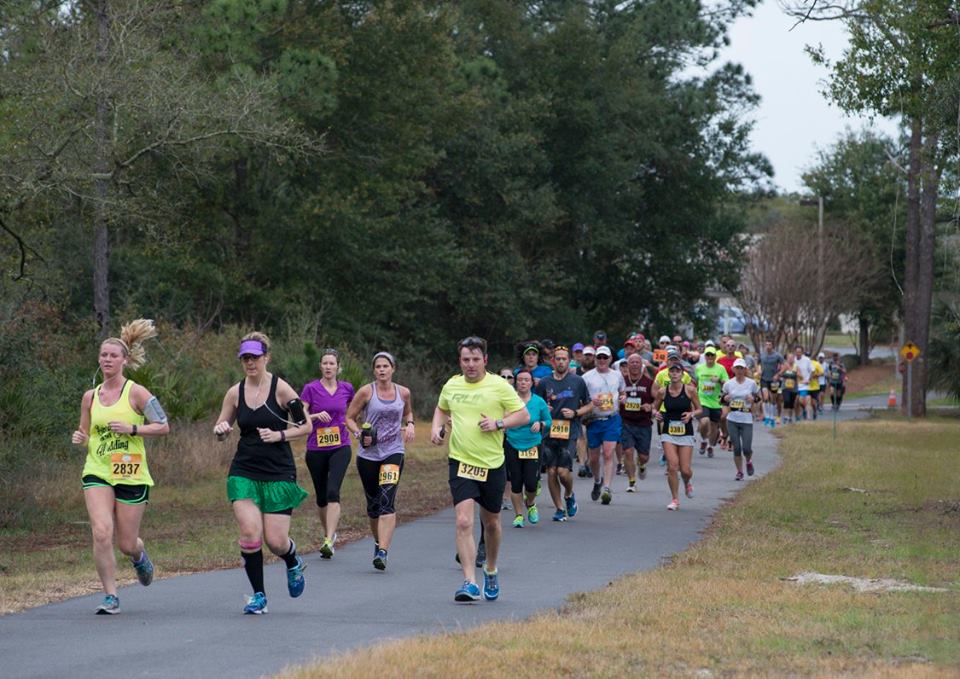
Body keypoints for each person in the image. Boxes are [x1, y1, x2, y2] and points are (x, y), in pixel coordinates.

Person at [71, 319, 170, 615]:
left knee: (126, 542)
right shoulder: (90, 397)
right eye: (104, 355)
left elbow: (163, 426)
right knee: (101, 532)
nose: (107, 360)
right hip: (98, 470)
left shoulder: (137, 393)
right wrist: (80, 438)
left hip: (130, 471)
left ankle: (139, 557)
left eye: (114, 355)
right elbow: (86, 435)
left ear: (125, 360)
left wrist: (132, 429)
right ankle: (111, 595)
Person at [213, 332, 312, 615]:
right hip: (244, 469)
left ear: (266, 357)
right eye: (245, 358)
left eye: (255, 357)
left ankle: (292, 560)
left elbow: (305, 426)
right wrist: (221, 430)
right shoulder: (235, 392)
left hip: (279, 471)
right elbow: (222, 424)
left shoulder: (281, 389)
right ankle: (259, 595)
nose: (250, 363)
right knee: (249, 533)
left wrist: (279, 435)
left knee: (276, 541)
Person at [431, 336, 528, 602]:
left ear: (485, 360)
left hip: (492, 463)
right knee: (463, 521)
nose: (470, 365)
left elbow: (523, 415)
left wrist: (498, 423)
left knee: (492, 523)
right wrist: (435, 428)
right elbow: (441, 409)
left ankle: (491, 569)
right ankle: (469, 582)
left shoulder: (499, 386)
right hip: (461, 461)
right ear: (459, 361)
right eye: (465, 360)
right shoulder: (452, 384)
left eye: (475, 360)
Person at [344, 351, 413, 571]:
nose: (382, 370)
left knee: (386, 499)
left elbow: (408, 413)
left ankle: (383, 551)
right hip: (368, 455)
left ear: (393, 368)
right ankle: (377, 542)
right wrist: (358, 435)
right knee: (373, 506)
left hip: (393, 451)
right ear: (374, 370)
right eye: (378, 367)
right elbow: (349, 418)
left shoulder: (403, 392)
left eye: (386, 366)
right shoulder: (366, 391)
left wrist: (410, 424)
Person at [299, 348, 355, 560]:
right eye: (325, 363)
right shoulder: (310, 389)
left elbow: (355, 410)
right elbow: (299, 413)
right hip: (316, 449)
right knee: (322, 498)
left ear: (338, 367)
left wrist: (356, 426)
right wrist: (313, 415)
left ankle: (329, 540)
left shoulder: (347, 388)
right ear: (320, 366)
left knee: (333, 492)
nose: (328, 367)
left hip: (341, 446)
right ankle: (327, 535)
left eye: (332, 363)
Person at [535, 345, 590, 521]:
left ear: (569, 361)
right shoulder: (544, 382)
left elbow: (589, 405)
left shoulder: (577, 381)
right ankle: (559, 509)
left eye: (564, 359)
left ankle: (569, 494)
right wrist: (544, 410)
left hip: (569, 430)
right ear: (553, 361)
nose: (560, 361)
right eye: (557, 358)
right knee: (551, 471)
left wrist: (575, 413)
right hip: (549, 431)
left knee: (563, 472)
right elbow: (535, 405)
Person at [504, 370, 551, 527]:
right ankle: (518, 515)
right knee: (516, 482)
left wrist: (541, 424)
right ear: (516, 382)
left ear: (532, 383)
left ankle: (530, 504)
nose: (523, 382)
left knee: (531, 483)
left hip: (532, 445)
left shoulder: (539, 402)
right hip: (512, 443)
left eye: (526, 380)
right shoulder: (509, 401)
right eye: (520, 380)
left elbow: (549, 420)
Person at [651, 363, 701, 511]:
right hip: (668, 431)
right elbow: (655, 407)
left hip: (685, 431)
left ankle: (687, 482)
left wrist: (691, 414)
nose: (674, 374)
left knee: (685, 470)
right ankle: (675, 499)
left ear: (682, 374)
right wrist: (656, 413)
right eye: (671, 371)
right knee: (672, 466)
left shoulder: (690, 390)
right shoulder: (662, 391)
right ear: (668, 374)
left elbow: (699, 409)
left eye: (677, 371)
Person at [581, 345, 626, 505]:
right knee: (593, 458)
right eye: (599, 357)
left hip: (612, 418)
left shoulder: (617, 375)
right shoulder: (586, 377)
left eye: (604, 358)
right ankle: (597, 480)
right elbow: (581, 398)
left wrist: (623, 398)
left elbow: (622, 392)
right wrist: (590, 402)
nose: (601, 360)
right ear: (594, 359)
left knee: (608, 453)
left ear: (610, 359)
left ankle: (607, 488)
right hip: (594, 420)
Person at [620, 353, 655, 491]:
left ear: (641, 365)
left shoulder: (649, 382)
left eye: (637, 362)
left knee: (643, 456)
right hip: (626, 421)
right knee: (628, 451)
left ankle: (641, 465)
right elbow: (614, 396)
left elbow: (657, 399)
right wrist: (619, 401)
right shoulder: (622, 381)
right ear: (627, 365)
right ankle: (632, 482)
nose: (634, 364)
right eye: (632, 362)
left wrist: (651, 406)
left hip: (643, 423)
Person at [722, 358, 761, 481]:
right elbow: (721, 400)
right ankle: (739, 471)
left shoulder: (751, 383)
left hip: (746, 418)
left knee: (747, 448)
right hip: (732, 418)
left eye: (741, 368)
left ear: (745, 370)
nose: (739, 371)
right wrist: (726, 398)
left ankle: (748, 461)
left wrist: (753, 399)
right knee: (737, 448)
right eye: (737, 368)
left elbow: (759, 398)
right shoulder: (728, 384)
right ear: (733, 369)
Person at [694, 346, 727, 458]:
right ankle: (703, 440)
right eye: (707, 355)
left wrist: (719, 380)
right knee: (704, 421)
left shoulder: (720, 368)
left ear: (715, 356)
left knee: (714, 426)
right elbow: (695, 382)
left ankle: (710, 446)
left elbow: (726, 383)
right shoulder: (699, 368)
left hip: (716, 401)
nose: (709, 357)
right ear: (705, 356)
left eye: (712, 355)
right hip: (702, 400)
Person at [758, 340, 784, 427]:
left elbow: (785, 366)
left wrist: (778, 374)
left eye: (770, 344)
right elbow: (757, 363)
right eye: (766, 344)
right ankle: (767, 417)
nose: (768, 346)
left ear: (773, 346)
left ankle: (772, 417)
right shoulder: (762, 355)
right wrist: (758, 370)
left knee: (773, 399)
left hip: (774, 380)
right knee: (765, 397)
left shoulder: (777, 355)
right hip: (764, 379)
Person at [793, 345, 814, 420]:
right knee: (795, 402)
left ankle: (805, 410)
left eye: (799, 352)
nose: (798, 353)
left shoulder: (807, 360)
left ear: (802, 352)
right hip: (795, 385)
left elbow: (812, 370)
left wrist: (809, 379)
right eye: (797, 352)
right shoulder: (793, 360)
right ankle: (797, 416)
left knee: (801, 400)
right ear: (795, 352)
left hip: (804, 384)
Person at [777, 354, 799, 424]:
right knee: (786, 401)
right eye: (789, 358)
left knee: (792, 403)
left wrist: (796, 373)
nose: (790, 359)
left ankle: (790, 417)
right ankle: (786, 416)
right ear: (786, 359)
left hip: (794, 388)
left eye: (791, 358)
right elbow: (779, 374)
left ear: (794, 359)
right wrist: (783, 371)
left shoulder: (796, 367)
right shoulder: (785, 366)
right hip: (785, 387)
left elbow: (801, 376)